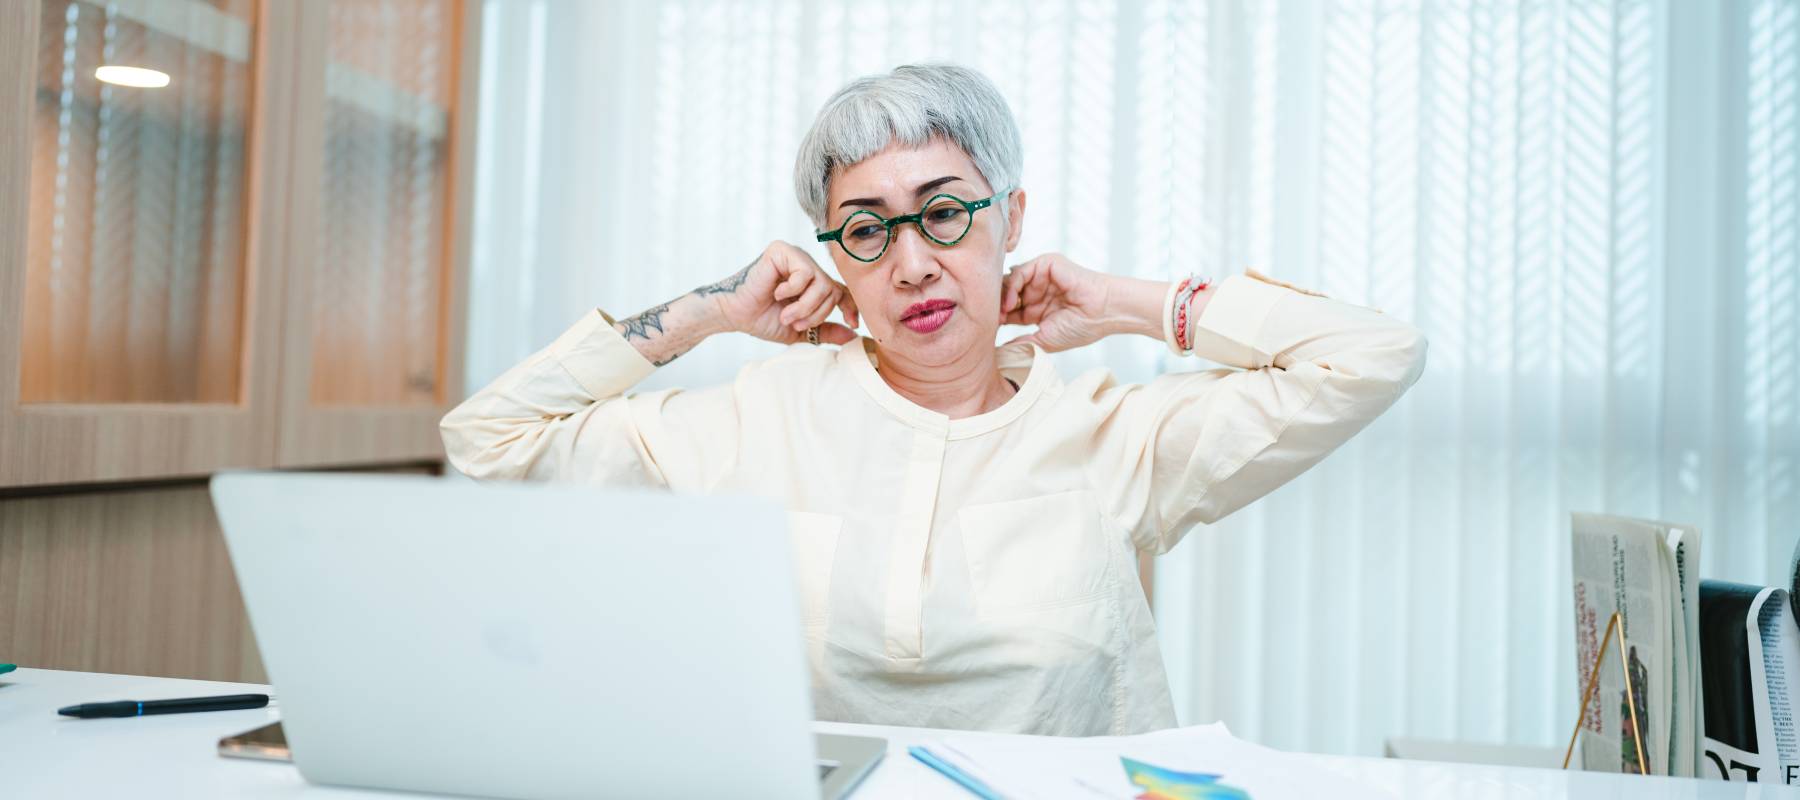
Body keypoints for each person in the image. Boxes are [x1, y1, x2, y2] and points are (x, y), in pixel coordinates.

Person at [441, 64, 1427, 736]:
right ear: (836, 256)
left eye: (946, 212)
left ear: (1012, 218)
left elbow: (1376, 355)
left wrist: (1133, 303)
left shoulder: (1112, 432)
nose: (912, 263)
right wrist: (707, 311)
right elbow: (485, 439)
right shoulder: (757, 414)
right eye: (867, 230)